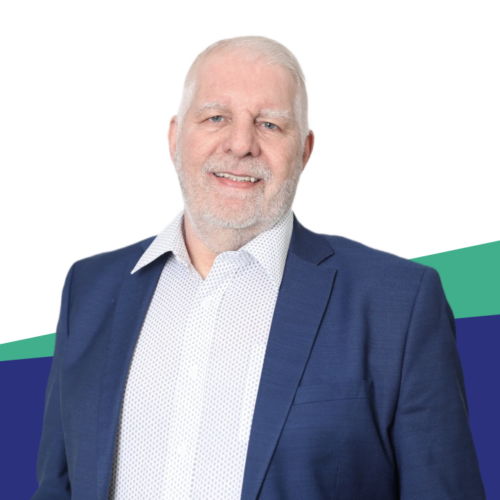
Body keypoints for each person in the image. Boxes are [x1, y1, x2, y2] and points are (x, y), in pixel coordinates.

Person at [33, 36, 485, 500]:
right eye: (216, 117)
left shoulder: (398, 306)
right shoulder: (89, 291)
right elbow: (57, 488)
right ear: (174, 138)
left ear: (304, 151)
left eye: (270, 124)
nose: (241, 144)